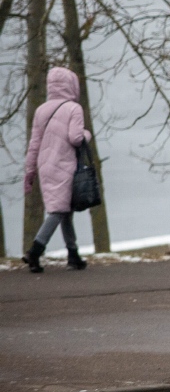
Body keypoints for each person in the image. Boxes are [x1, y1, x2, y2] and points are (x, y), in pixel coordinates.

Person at [21, 67, 92, 273]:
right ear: (72, 85)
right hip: (65, 164)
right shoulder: (73, 108)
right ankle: (35, 251)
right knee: (58, 210)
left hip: (45, 165)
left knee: (65, 210)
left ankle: (73, 254)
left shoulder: (41, 110)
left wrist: (30, 171)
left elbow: (34, 144)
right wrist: (86, 134)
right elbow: (76, 138)